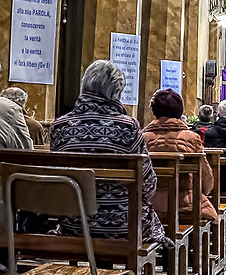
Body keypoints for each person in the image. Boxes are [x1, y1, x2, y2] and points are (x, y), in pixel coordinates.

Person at [40, 60, 165, 243]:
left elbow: (56, 179)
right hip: (124, 226)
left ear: (84, 86)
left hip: (75, 224)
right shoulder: (128, 127)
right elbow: (147, 184)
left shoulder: (60, 126)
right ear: (116, 92)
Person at [141, 88, 219, 224]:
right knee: (212, 217)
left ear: (154, 110)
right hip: (184, 205)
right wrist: (205, 192)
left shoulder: (143, 138)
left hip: (148, 205)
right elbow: (207, 179)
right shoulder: (192, 138)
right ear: (179, 111)